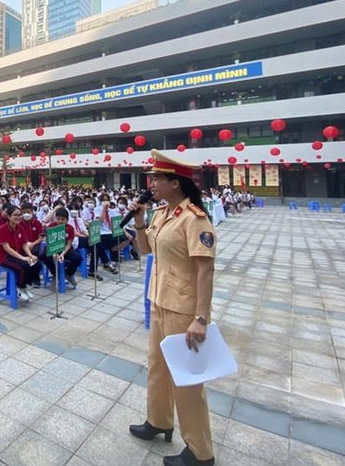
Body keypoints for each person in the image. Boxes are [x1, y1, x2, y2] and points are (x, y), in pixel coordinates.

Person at [129, 150, 217, 466]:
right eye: (151, 178)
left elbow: (205, 270)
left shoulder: (195, 218)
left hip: (183, 309)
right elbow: (145, 250)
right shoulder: (161, 214)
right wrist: (139, 221)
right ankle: (159, 421)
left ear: (175, 183)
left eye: (157, 178)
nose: (150, 183)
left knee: (187, 380)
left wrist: (201, 318)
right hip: (159, 300)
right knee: (158, 367)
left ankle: (200, 451)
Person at [0, 204, 40, 302]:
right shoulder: (3, 229)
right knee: (24, 266)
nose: (18, 217)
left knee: (36, 262)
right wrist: (23, 258)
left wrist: (30, 255)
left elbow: (24, 244)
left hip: (17, 253)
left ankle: (25, 286)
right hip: (5, 257)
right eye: (15, 215)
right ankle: (19, 287)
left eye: (20, 215)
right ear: (9, 217)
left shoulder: (20, 228)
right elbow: (6, 248)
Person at [40, 207, 82, 288]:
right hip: (52, 247)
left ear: (67, 219)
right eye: (58, 219)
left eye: (63, 219)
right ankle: (55, 273)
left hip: (65, 248)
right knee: (43, 255)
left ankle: (68, 273)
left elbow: (69, 244)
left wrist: (62, 254)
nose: (60, 221)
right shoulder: (51, 226)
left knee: (77, 258)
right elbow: (48, 242)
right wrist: (54, 253)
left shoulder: (69, 228)